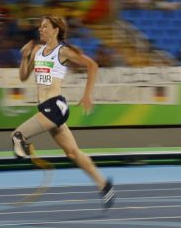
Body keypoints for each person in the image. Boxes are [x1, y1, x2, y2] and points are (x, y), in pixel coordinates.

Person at [11, 15, 115, 209]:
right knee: (73, 154)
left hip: (56, 106)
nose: (40, 30)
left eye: (44, 27)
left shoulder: (63, 51)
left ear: (55, 30)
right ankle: (104, 186)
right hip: (45, 108)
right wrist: (24, 57)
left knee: (18, 135)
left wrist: (87, 95)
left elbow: (92, 65)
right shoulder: (36, 51)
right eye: (40, 27)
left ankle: (24, 146)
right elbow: (24, 76)